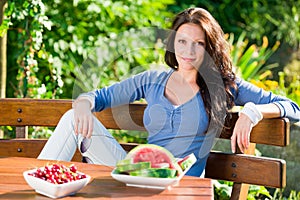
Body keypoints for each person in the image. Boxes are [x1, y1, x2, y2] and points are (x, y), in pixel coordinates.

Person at [38, 7, 300, 177]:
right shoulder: (151, 80)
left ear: (209, 48)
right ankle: (34, 185)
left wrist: (252, 112)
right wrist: (83, 104)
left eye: (198, 44)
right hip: (139, 176)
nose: (188, 51)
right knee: (72, 118)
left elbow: (293, 107)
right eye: (182, 42)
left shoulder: (223, 86)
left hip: (182, 187)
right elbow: (100, 96)